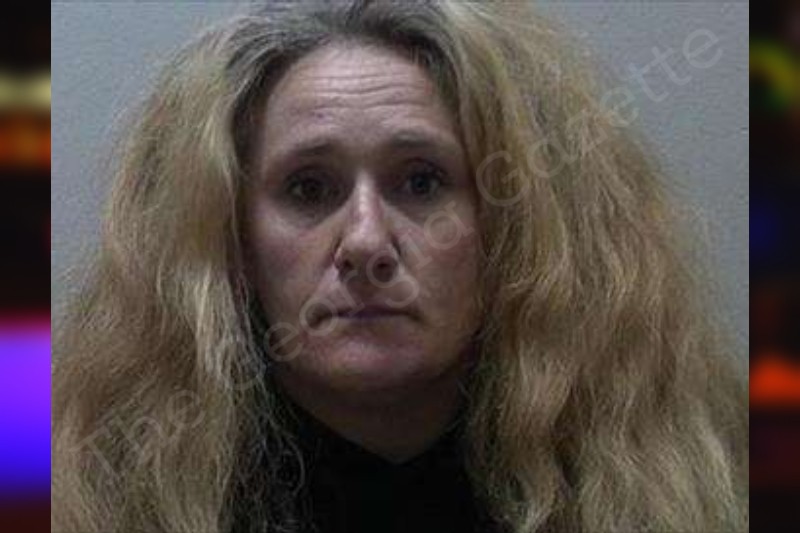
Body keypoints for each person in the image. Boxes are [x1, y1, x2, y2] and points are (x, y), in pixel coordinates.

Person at [52, 1, 748, 532]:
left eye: (421, 182)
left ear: (518, 227)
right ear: (231, 239)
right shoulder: (87, 499)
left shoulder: (689, 488)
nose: (365, 242)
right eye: (308, 189)